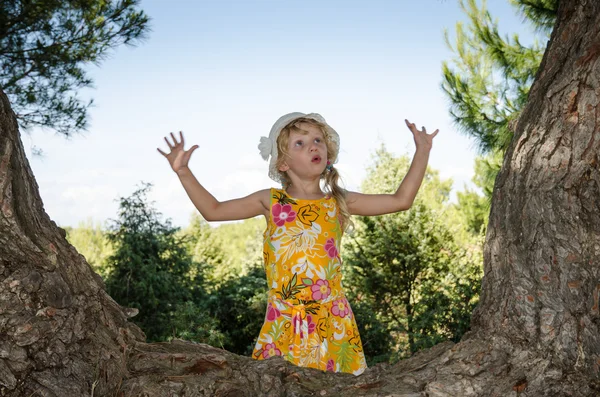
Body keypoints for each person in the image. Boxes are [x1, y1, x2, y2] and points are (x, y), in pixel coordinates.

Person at [158, 112, 438, 376]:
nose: (313, 147)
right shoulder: (270, 201)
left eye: (318, 140)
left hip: (334, 324)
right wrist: (183, 171)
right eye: (301, 143)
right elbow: (214, 210)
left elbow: (401, 200)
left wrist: (422, 150)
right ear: (283, 163)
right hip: (283, 322)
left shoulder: (338, 203)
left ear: (327, 154)